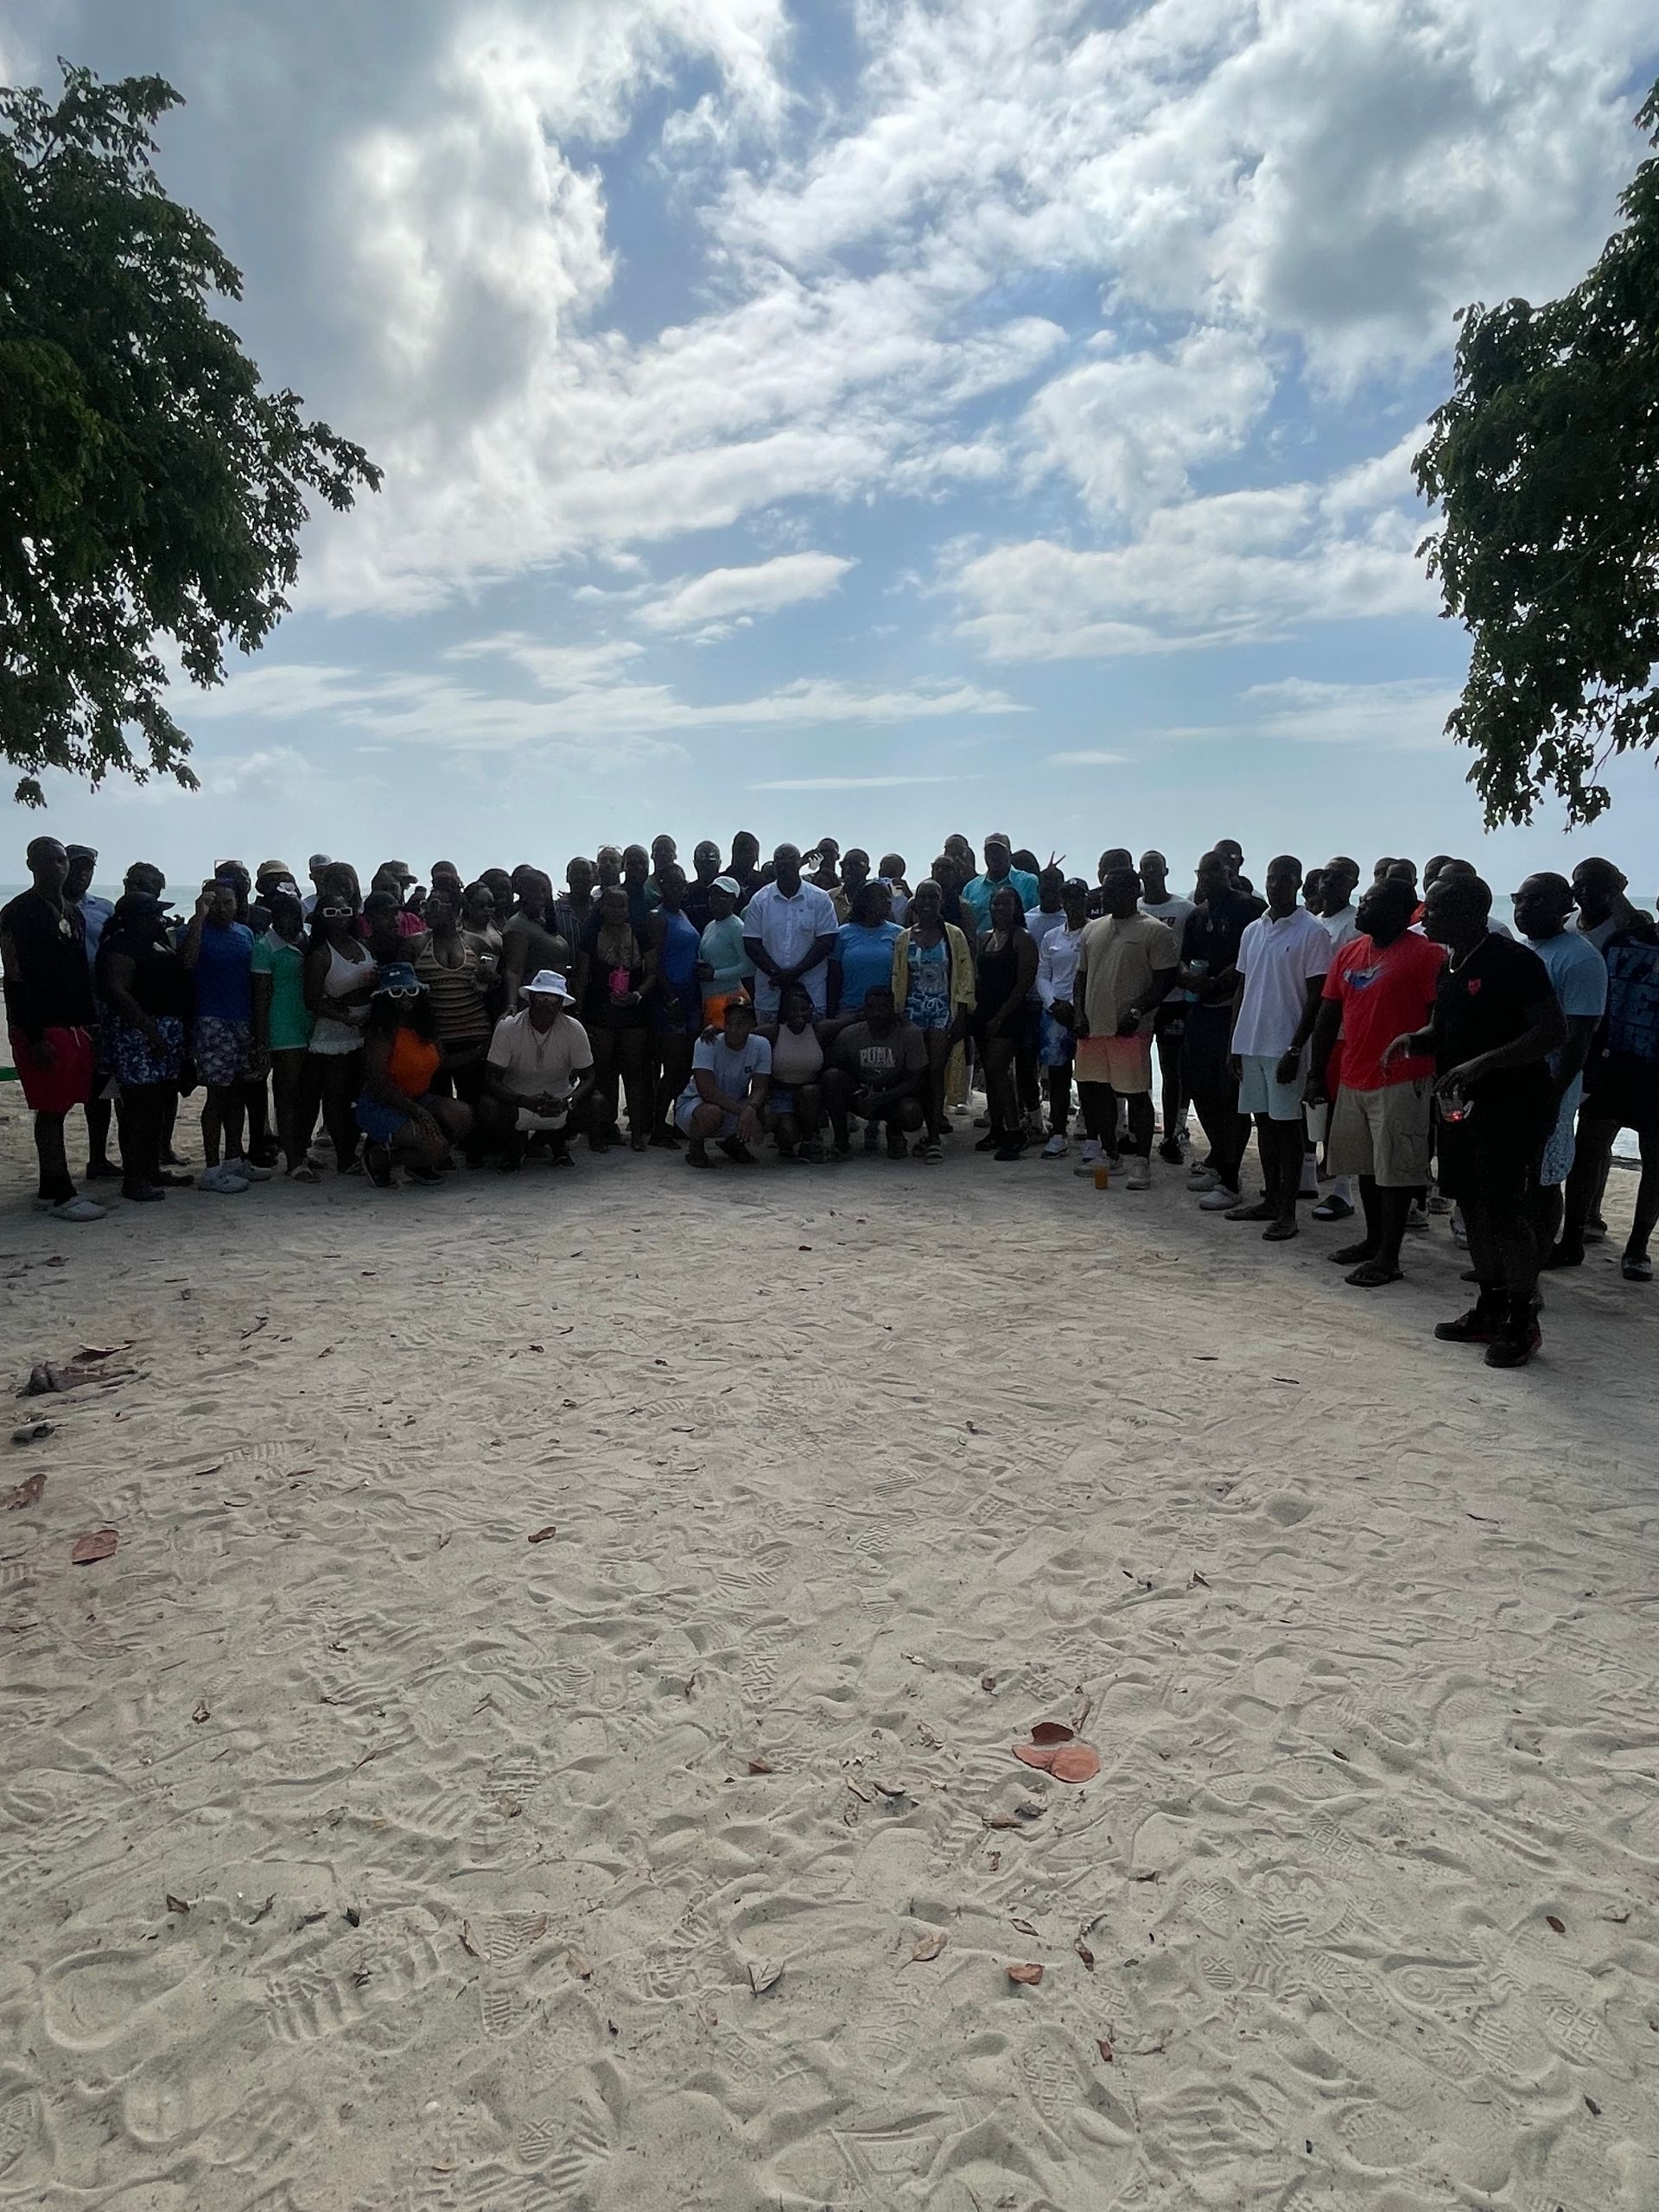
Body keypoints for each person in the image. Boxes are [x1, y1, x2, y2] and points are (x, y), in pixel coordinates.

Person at [1386, 872, 1564, 1369]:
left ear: (1470, 912)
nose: (1425, 919)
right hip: (1459, 1105)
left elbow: (1552, 1032)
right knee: (1472, 1203)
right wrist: (1416, 1039)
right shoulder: (1450, 965)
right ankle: (1490, 1303)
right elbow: (1447, 1026)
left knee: (1506, 1208)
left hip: (1511, 1104)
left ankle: (1523, 1318)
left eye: (1436, 911)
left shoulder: (1514, 961)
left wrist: (1483, 1063)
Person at [1306, 877, 1444, 1286]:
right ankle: (1371, 1241)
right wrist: (1316, 1074)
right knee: (1366, 1167)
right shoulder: (1349, 952)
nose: (1361, 909)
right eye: (1362, 901)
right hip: (1354, 1075)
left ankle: (1390, 1256)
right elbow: (1328, 1015)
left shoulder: (1426, 956)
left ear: (1403, 913)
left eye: (1371, 903)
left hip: (1402, 1079)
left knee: (1396, 1173)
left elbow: (1442, 1019)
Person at [1550, 898, 1659, 1282]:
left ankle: (1638, 1247)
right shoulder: (1621, 945)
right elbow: (1599, 1004)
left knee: (1655, 1162)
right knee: (1589, 1148)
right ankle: (1573, 1237)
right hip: (1611, 1063)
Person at [1226, 855, 1330, 1240]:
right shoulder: (1253, 930)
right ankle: (1270, 1200)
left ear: (1299, 884)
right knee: (1264, 1127)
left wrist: (1295, 1048)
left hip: (1286, 1046)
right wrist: (1234, 1042)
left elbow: (1318, 998)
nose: (1275, 886)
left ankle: (1288, 1212)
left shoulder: (1312, 932)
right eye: (1271, 879)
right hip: (1251, 1041)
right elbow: (1242, 987)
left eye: (1284, 881)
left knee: (1288, 1130)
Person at [1, 838, 105, 1219]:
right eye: (50, 862)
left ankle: (52, 1185)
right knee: (49, 1107)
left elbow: (79, 972)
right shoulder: (18, 913)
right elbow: (14, 978)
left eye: (62, 860)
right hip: (39, 1025)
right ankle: (58, 1187)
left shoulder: (74, 914)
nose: (59, 868)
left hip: (75, 1023)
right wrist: (32, 1035)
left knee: (65, 1105)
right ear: (32, 865)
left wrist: (90, 1023)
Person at [1514, 873, 1609, 1258]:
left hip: (1550, 1085)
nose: (1523, 908)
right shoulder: (1527, 949)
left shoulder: (1580, 957)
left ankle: (1540, 1257)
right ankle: (1517, 1257)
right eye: (1519, 899)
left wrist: (1555, 1096)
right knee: (1517, 1176)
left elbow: (1580, 1035)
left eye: (1536, 901)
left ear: (1565, 909)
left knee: (1544, 1178)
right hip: (1516, 1082)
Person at [1072, 865, 1179, 1188]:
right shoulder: (1092, 929)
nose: (1107, 896)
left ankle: (1142, 1162)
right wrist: (1079, 1014)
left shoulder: (1155, 931)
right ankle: (1111, 1155)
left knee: (1135, 1094)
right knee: (1095, 1092)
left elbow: (1165, 980)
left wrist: (1138, 1010)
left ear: (1136, 891)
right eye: (1105, 890)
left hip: (1129, 1029)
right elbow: (1081, 977)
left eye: (1116, 890)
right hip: (1093, 1027)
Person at [95, 889, 193, 1203]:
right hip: (137, 1036)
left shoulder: (155, 943)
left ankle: (150, 1169)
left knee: (158, 1105)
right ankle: (134, 1177)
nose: (160, 920)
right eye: (154, 915)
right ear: (137, 919)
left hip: (165, 1032)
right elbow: (118, 992)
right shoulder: (121, 948)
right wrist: (150, 1031)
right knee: (139, 1109)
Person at [1181, 852, 1266, 1211]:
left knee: (1231, 1095)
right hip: (1200, 1010)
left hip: (1235, 1012)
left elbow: (1252, 959)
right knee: (1199, 1088)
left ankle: (1232, 1178)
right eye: (1202, 873)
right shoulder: (1197, 914)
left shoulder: (1250, 908)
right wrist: (1188, 976)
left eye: (1215, 871)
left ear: (1229, 872)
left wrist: (1222, 980)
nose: (1208, 878)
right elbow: (1183, 957)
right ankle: (1218, 1159)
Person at [181, 878, 266, 1193]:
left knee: (239, 1093)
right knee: (217, 1094)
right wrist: (199, 919)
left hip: (241, 1018)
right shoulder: (195, 931)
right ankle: (212, 1168)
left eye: (227, 902)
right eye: (215, 902)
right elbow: (186, 963)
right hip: (210, 1020)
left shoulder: (244, 934)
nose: (222, 908)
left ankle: (234, 1158)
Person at [356, 963, 473, 1187]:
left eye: (411, 990)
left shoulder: (424, 1027)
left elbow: (445, 1061)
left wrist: (482, 1052)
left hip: (417, 1098)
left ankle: (418, 1159)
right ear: (384, 997)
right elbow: (379, 1084)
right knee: (436, 1149)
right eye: (396, 992)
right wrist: (417, 1112)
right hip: (382, 1103)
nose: (404, 997)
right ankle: (379, 1157)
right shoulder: (381, 1033)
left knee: (462, 1115)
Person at [891, 877, 975, 1161]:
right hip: (912, 1011)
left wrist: (962, 1014)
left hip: (942, 1009)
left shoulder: (954, 936)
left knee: (935, 1071)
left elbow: (965, 976)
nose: (927, 903)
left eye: (933, 898)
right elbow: (897, 978)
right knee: (914, 1073)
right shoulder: (904, 938)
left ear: (940, 902)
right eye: (922, 897)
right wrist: (897, 1014)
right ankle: (907, 1132)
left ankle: (935, 1136)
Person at [480, 969, 595, 1168]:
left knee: (597, 1105)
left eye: (553, 999)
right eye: (542, 997)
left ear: (561, 1004)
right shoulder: (508, 1027)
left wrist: (568, 1101)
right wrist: (522, 1100)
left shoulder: (574, 1029)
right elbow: (491, 1077)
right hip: (516, 1099)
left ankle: (553, 1141)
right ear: (532, 998)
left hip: (559, 1098)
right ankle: (515, 1144)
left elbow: (589, 1076)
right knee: (487, 1106)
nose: (547, 1003)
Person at [575, 884, 656, 1150]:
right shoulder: (590, 935)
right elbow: (583, 976)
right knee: (602, 1073)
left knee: (634, 1073)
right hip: (600, 1011)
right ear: (602, 907)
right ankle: (602, 1130)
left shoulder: (641, 933)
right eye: (611, 904)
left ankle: (637, 1134)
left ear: (629, 909)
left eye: (622, 905)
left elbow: (652, 972)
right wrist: (578, 1012)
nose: (616, 910)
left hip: (634, 1012)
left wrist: (637, 995)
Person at [304, 881, 375, 1173]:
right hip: (336, 1032)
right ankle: (345, 1156)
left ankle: (355, 1149)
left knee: (360, 1092)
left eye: (345, 911)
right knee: (337, 1096)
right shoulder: (320, 954)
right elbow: (311, 1001)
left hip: (365, 1028)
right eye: (331, 911)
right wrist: (345, 1017)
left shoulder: (363, 946)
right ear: (321, 916)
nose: (339, 916)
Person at [416, 886, 493, 1148]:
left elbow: (490, 988)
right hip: (433, 1036)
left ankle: (474, 1148)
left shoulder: (477, 943)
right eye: (429, 904)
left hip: (473, 1032)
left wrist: (490, 980)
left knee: (472, 1096)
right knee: (438, 1098)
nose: (430, 910)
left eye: (438, 904)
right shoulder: (414, 944)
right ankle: (442, 1148)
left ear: (456, 909)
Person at [251, 887, 319, 1179]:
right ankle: (292, 1160)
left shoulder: (304, 941)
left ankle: (302, 1151)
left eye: (295, 914)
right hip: (283, 1025)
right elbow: (261, 997)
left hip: (308, 1023)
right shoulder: (264, 947)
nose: (290, 921)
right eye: (284, 915)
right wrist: (262, 1039)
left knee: (309, 1092)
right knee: (287, 1094)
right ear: (273, 918)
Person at [64, 844, 119, 1184]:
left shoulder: (104, 909)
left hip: (102, 1004)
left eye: (88, 869)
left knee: (103, 1087)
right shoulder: (44, 909)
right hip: (65, 1007)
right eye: (77, 868)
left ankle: (98, 1158)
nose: (83, 875)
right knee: (63, 1090)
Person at [972, 884, 1039, 1160]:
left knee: (998, 1068)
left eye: (1005, 904)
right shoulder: (985, 937)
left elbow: (1024, 983)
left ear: (1016, 908)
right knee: (990, 1072)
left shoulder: (1023, 939)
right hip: (984, 1013)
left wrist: (1000, 1017)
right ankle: (997, 1128)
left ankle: (1015, 1131)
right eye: (995, 904)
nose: (999, 908)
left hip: (1011, 1014)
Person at [824, 984, 928, 1159]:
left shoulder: (910, 1034)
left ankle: (894, 1132)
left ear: (893, 1010)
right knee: (831, 1078)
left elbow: (916, 1080)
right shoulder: (850, 1035)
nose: (876, 1014)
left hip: (894, 1097)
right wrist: (862, 1092)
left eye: (883, 1008)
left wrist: (883, 1097)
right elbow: (835, 1068)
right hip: (862, 1094)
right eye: (871, 1008)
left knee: (911, 1113)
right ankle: (841, 1140)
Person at [1138, 850, 1196, 1164]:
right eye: (1145, 869)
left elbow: (1191, 952)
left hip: (1174, 1002)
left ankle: (1173, 1133)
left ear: (1166, 871)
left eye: (1155, 868)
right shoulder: (1134, 908)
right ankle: (1137, 1131)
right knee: (1136, 1068)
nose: (1150, 873)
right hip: (1140, 1000)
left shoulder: (1185, 909)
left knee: (1172, 1069)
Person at [741, 845, 838, 1019]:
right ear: (775, 867)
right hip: (770, 993)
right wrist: (777, 975)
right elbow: (751, 943)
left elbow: (826, 942)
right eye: (781, 864)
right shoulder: (760, 900)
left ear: (799, 864)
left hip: (811, 995)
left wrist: (795, 973)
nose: (785, 869)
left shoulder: (820, 899)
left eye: (790, 863)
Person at [645, 863, 703, 1147]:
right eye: (670, 883)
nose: (677, 889)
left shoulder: (684, 914)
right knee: (672, 1066)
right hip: (670, 998)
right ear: (661, 885)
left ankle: (676, 1120)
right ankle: (657, 1127)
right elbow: (655, 964)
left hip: (692, 996)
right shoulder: (658, 917)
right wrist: (671, 998)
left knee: (684, 1067)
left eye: (681, 884)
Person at [677, 998, 770, 1167]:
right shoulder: (707, 1043)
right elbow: (707, 1091)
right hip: (699, 1103)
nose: (734, 1029)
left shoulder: (762, 1045)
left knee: (770, 1114)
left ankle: (734, 1143)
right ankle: (696, 1147)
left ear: (752, 1025)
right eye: (729, 1023)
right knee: (712, 1113)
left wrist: (752, 1108)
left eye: (741, 1024)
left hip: (735, 1104)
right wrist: (745, 1112)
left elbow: (760, 1086)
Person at [1034, 877, 1090, 1157]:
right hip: (1055, 1013)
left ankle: (1093, 1135)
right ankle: (1058, 1133)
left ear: (1086, 899)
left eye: (1077, 897)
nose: (1072, 903)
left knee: (1089, 1078)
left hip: (1087, 1013)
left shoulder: (1094, 932)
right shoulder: (1052, 936)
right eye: (1067, 897)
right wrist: (1053, 1003)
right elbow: (1043, 974)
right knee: (1057, 1077)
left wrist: (1075, 1007)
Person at [760, 983, 826, 1161]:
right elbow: (741, 1034)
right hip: (780, 1094)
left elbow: (853, 1019)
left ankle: (808, 1139)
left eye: (804, 1009)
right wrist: (713, 1030)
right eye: (793, 1010)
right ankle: (785, 1135)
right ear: (784, 1011)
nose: (799, 1014)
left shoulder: (820, 1031)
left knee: (811, 1092)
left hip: (810, 1096)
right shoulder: (773, 1032)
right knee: (788, 1135)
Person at [828, 880, 902, 1022]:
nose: (887, 902)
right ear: (865, 903)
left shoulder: (899, 934)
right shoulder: (843, 933)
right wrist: (831, 1015)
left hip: (886, 1013)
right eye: (880, 897)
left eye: (888, 897)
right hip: (850, 1011)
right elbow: (834, 977)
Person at [500, 872, 571, 1013]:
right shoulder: (518, 926)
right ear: (524, 893)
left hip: (556, 997)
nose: (542, 895)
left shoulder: (543, 922)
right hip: (535, 1002)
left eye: (546, 890)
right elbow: (514, 970)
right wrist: (512, 1005)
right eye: (538, 890)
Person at [697, 876, 754, 1024]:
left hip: (731, 999)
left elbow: (748, 967)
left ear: (733, 900)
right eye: (712, 894)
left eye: (722, 895)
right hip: (710, 998)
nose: (715, 899)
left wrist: (715, 974)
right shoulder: (710, 926)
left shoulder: (737, 927)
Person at [960, 834, 1039, 938]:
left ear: (1009, 854)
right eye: (990, 852)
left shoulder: (1029, 882)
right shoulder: (971, 888)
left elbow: (1038, 918)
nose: (994, 857)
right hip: (981, 949)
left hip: (1018, 948)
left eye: (999, 852)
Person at [683, 842, 724, 936]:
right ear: (695, 864)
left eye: (711, 862)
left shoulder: (729, 892)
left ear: (720, 863)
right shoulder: (685, 893)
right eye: (703, 862)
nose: (707, 866)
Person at [727, 831, 763, 906]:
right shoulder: (720, 882)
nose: (745, 854)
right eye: (741, 849)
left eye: (750, 850)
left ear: (756, 856)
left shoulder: (764, 884)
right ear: (733, 852)